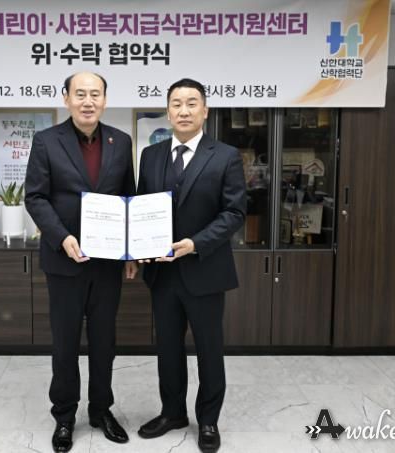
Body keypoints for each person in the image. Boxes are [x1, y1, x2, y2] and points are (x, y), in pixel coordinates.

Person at [25, 71, 137, 452]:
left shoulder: (121, 141)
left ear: (105, 99)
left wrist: (129, 251)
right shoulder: (46, 141)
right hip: (65, 262)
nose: (88, 101)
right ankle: (64, 416)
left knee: (105, 342)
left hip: (107, 264)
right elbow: (35, 197)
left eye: (95, 94)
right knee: (65, 343)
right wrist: (62, 237)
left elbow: (128, 197)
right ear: (66, 98)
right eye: (80, 94)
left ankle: (101, 410)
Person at [136, 78, 247, 453]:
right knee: (167, 348)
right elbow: (141, 207)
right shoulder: (150, 155)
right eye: (176, 104)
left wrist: (195, 243)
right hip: (162, 273)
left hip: (205, 269)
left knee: (209, 350)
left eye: (191, 103)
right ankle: (172, 413)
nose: (183, 110)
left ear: (205, 110)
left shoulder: (226, 155)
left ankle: (209, 419)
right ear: (168, 112)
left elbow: (234, 212)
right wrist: (137, 248)